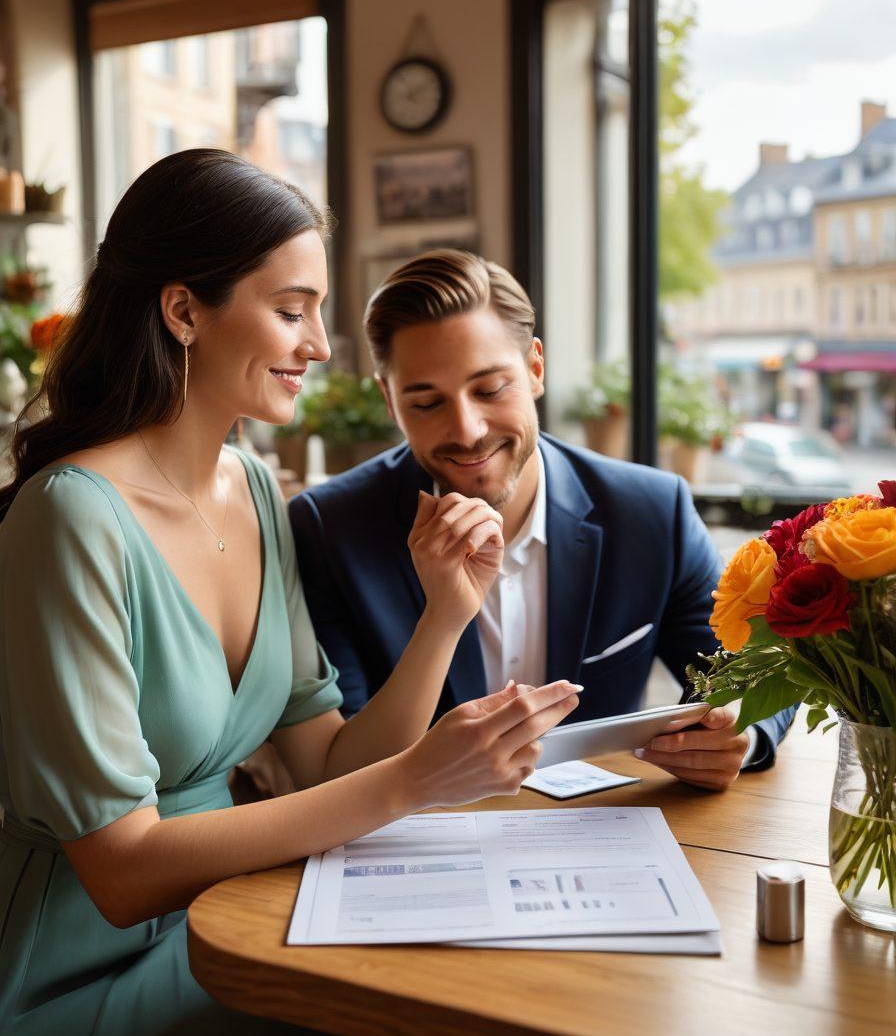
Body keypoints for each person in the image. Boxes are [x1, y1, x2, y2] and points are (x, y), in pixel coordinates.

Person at [0, 152, 580, 1036]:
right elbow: (123, 873)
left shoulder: (257, 488)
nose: (319, 344)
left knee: (493, 998)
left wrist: (445, 618)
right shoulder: (71, 516)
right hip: (75, 975)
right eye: (291, 309)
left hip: (227, 918)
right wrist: (417, 781)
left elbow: (327, 765)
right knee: (405, 1035)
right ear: (183, 312)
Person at [290, 250, 795, 791]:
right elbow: (345, 774)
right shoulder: (328, 529)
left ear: (535, 368)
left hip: (604, 837)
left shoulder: (651, 511)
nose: (466, 429)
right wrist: (442, 618)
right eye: (427, 403)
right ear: (390, 402)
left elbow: (753, 666)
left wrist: (741, 732)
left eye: (489, 389)